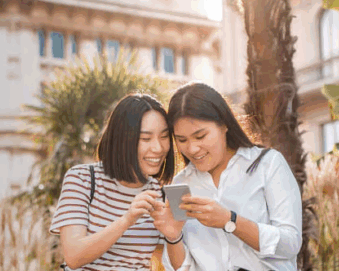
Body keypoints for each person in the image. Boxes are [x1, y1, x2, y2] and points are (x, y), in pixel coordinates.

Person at [159, 82, 303, 271]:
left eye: (200, 136)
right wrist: (173, 236)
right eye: (182, 140)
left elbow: (290, 244)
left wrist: (231, 221)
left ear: (224, 124)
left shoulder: (267, 164)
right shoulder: (181, 184)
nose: (192, 149)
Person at [49, 93, 177, 270]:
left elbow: (171, 264)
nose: (158, 148)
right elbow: (73, 256)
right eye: (146, 139)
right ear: (122, 139)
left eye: (164, 137)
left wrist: (173, 235)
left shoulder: (162, 195)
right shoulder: (82, 179)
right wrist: (127, 219)